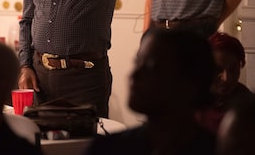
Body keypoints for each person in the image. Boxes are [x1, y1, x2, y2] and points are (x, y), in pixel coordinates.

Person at [85, 28, 217, 155]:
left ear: (190, 82)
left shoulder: (220, 150)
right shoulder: (108, 149)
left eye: (151, 67)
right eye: (137, 63)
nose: (134, 75)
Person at [196, 31, 253, 133]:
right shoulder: (189, 101)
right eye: (218, 70)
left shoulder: (248, 105)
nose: (226, 78)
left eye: (233, 70)